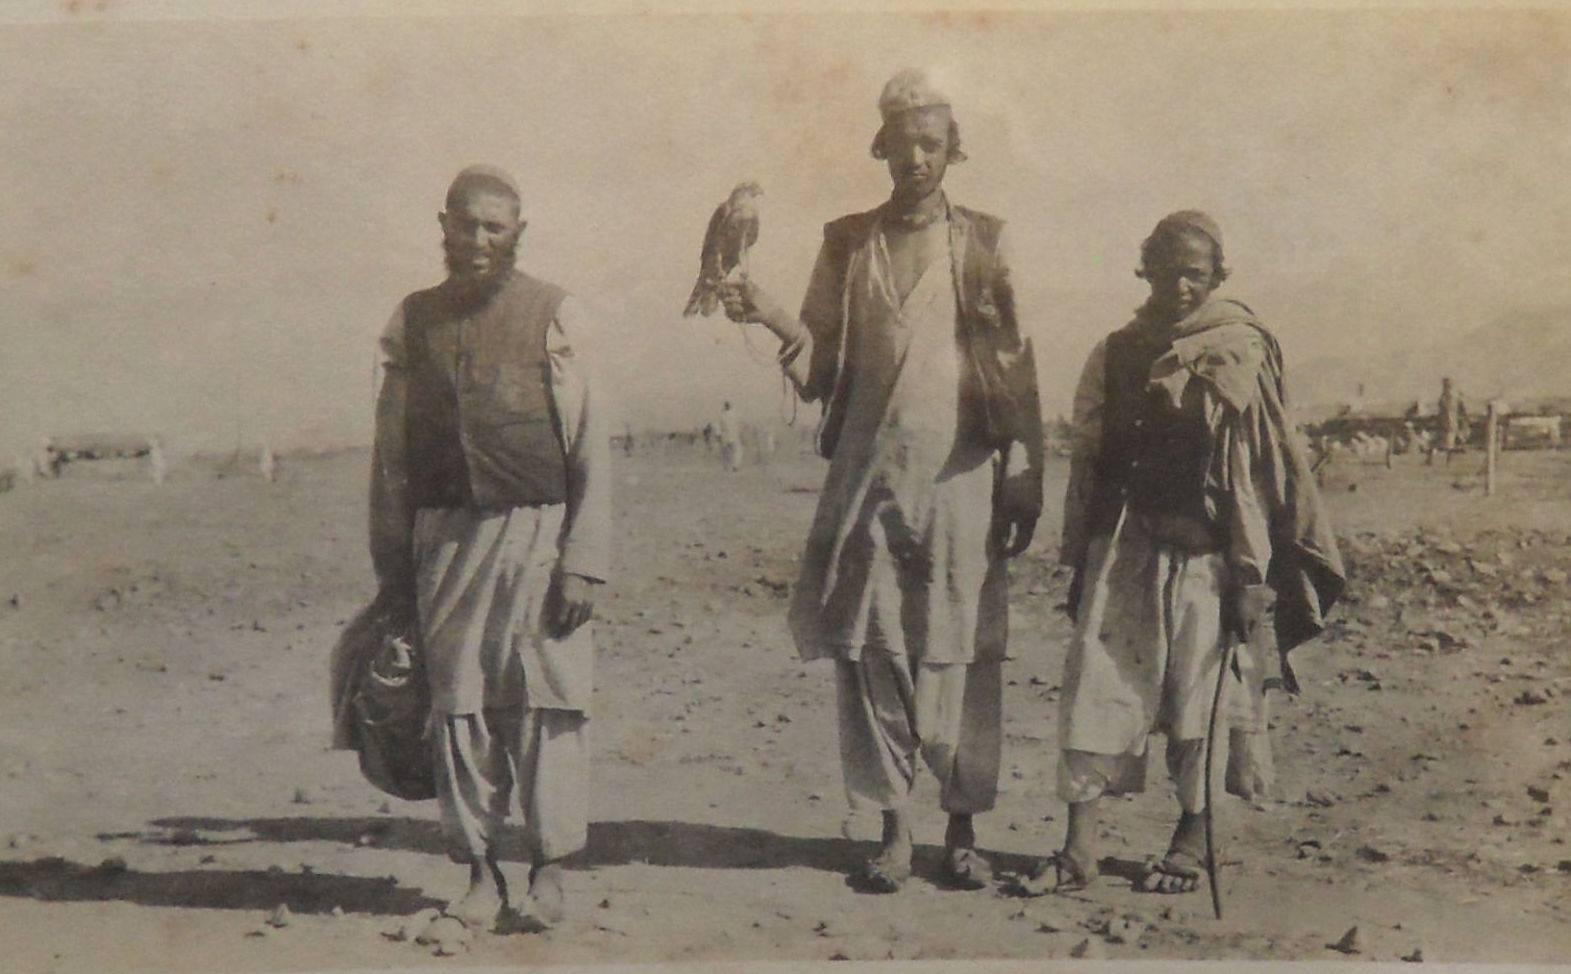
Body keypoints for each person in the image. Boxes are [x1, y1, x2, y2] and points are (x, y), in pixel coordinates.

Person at [722, 68, 1044, 893]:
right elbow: (822, 365)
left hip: (962, 480)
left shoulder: (982, 241)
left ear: (951, 151)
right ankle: (894, 829)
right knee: (872, 651)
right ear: (881, 150)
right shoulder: (846, 242)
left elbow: (1015, 365)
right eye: (901, 145)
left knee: (961, 650)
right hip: (868, 480)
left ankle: (961, 829)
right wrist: (761, 309)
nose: (915, 158)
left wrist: (1022, 472)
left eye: (930, 143)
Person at [1028, 211, 1344, 896]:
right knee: (1095, 685)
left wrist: (1250, 576)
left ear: (1216, 276)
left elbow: (1255, 473)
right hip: (1127, 546)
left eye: (1193, 274)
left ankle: (1192, 838)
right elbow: (1091, 461)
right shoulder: (1114, 351)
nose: (1177, 285)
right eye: (1165, 270)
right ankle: (1078, 847)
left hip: (1208, 556)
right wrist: (1081, 561)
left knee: (1202, 698)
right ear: (1142, 268)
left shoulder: (1238, 349)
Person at [369, 165, 611, 940]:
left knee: (546, 702)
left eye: (493, 228)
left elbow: (591, 448)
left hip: (538, 537)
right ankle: (478, 872)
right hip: (444, 542)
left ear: (517, 234)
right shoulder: (413, 322)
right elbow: (390, 461)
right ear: (440, 226)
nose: (475, 242)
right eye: (463, 225)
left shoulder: (553, 314)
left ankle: (548, 873)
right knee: (457, 707)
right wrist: (394, 572)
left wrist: (583, 558)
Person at [1430, 376, 1467, 465]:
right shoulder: (1445, 397)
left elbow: (1460, 409)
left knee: (1448, 444)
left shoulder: (1451, 397)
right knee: (1442, 443)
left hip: (1450, 422)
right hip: (1446, 422)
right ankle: (1435, 460)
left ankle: (1448, 461)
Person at [719, 400, 744, 470]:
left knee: (726, 452)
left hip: (725, 436)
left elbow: (721, 426)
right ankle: (735, 466)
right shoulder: (734, 414)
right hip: (733, 435)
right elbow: (739, 424)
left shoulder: (722, 415)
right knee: (737, 451)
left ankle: (726, 466)